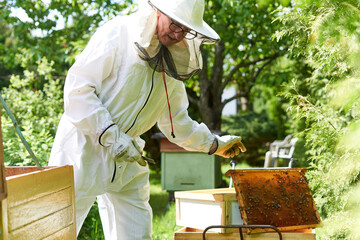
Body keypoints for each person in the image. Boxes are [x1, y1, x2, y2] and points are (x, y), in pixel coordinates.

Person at [49, 0, 246, 239]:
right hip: (83, 148)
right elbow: (77, 90)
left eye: (186, 29)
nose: (178, 33)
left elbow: (176, 123)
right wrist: (112, 136)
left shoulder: (173, 62)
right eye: (175, 24)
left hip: (129, 156)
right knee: (56, 232)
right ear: (157, 11)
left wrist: (214, 144)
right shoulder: (117, 33)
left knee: (137, 234)